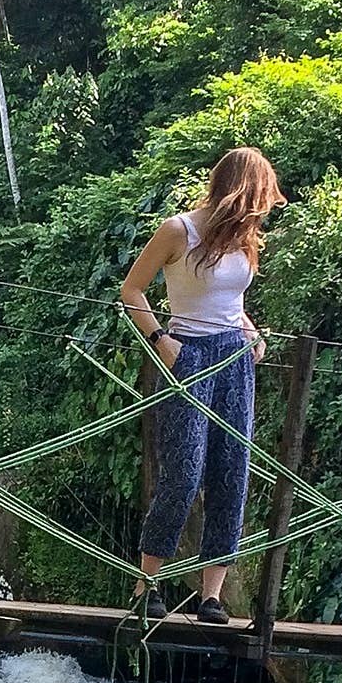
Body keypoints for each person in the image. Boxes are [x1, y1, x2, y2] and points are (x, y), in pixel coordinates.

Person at [119, 146, 286, 622]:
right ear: (240, 191)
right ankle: (146, 586)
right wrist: (161, 341)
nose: (261, 211)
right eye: (259, 198)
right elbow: (131, 290)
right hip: (187, 355)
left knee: (232, 474)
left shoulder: (243, 238)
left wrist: (251, 332)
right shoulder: (179, 230)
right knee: (184, 473)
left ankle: (211, 596)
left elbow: (231, 301)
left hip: (235, 358)